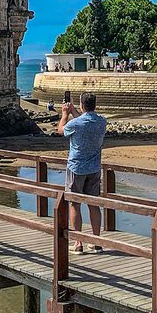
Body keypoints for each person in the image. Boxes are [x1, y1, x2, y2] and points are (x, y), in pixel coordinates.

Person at [59, 92, 107, 252]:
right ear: (95, 104)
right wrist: (74, 111)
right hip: (94, 168)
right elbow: (84, 120)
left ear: (81, 105)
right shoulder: (101, 121)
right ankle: (96, 241)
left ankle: (78, 243)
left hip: (76, 167)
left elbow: (61, 130)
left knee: (74, 203)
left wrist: (65, 114)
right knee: (94, 204)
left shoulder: (76, 124)